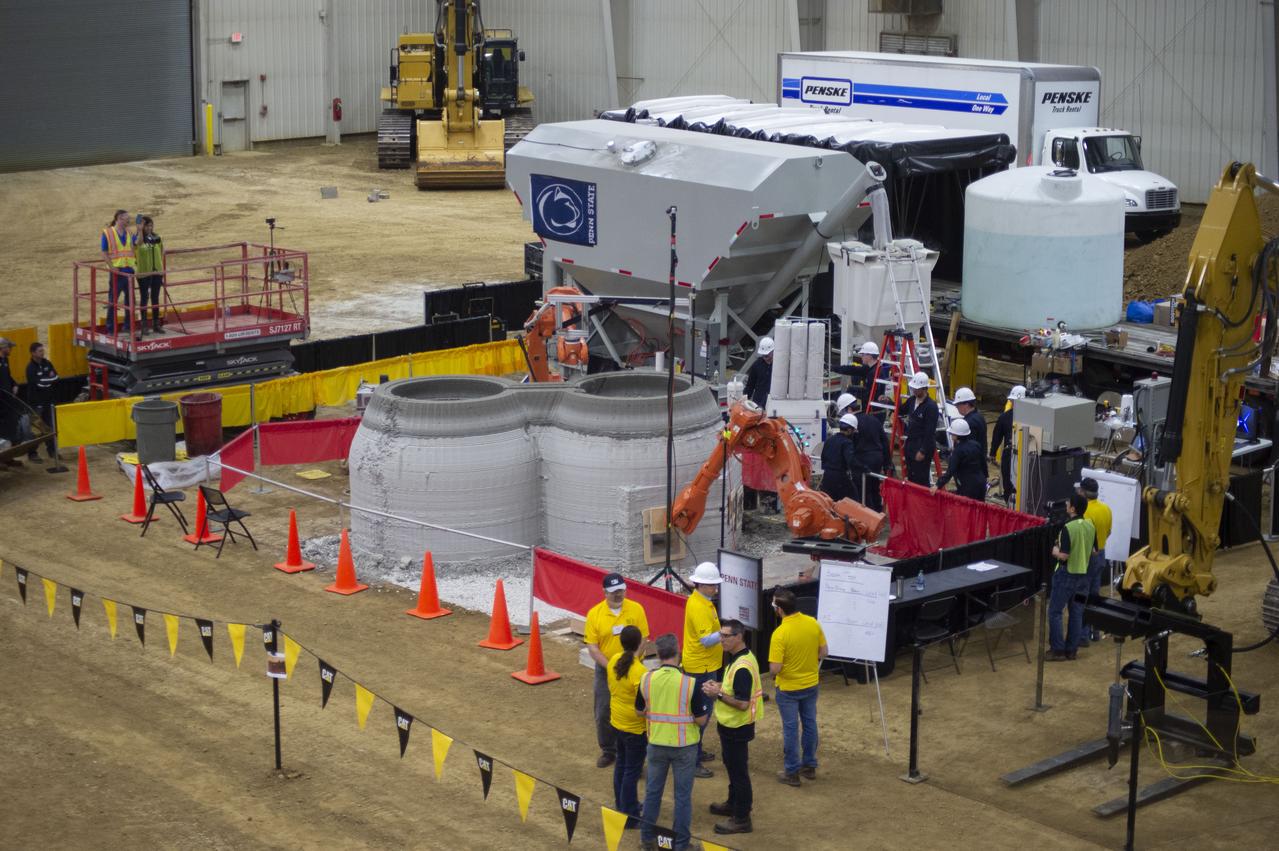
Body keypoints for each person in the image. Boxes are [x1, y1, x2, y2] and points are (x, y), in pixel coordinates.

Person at [637, 633, 709, 851]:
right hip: (685, 747)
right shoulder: (691, 684)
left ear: (658, 654)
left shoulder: (646, 679)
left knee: (652, 793)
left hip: (656, 744)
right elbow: (701, 719)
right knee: (682, 798)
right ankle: (681, 845)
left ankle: (647, 840)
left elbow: (639, 711)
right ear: (678, 654)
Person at [701, 619, 763, 835]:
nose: (722, 640)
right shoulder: (738, 659)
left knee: (738, 772)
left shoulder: (742, 666)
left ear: (739, 636)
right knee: (732, 765)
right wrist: (719, 687)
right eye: (721, 635)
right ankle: (733, 804)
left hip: (737, 726)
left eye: (726, 636)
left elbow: (743, 702)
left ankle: (742, 817)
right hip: (731, 725)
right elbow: (734, 690)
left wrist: (716, 693)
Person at [585, 572, 650, 768]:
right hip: (606, 671)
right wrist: (611, 666)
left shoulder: (636, 609)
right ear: (604, 592)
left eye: (621, 590)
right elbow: (592, 646)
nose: (618, 595)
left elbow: (644, 638)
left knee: (637, 708)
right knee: (603, 710)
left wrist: (631, 661)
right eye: (613, 592)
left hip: (634, 669)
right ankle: (608, 749)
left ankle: (636, 749)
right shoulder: (595, 614)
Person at [768, 587, 827, 786]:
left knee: (791, 729)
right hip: (811, 684)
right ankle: (809, 765)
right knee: (809, 723)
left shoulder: (780, 634)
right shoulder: (813, 623)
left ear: (779, 610)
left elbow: (775, 668)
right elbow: (824, 652)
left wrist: (773, 671)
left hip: (788, 689)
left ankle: (791, 772)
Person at [681, 561, 723, 778]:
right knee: (701, 714)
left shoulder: (703, 601)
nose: (715, 588)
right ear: (699, 585)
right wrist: (726, 633)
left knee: (703, 713)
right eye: (711, 585)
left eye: (715, 585)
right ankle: (693, 760)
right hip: (701, 668)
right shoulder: (699, 606)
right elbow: (706, 640)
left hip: (706, 665)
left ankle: (696, 751)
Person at [607, 625, 647, 828]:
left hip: (617, 722)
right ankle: (630, 816)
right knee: (631, 771)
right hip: (634, 728)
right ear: (640, 643)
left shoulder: (614, 660)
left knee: (621, 767)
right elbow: (645, 703)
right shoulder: (639, 671)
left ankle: (622, 806)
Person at [1048, 493, 1096, 661]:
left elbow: (1064, 555)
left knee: (1055, 612)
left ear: (1073, 508)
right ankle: (1071, 650)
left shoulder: (1068, 528)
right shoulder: (1090, 525)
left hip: (1066, 575)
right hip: (1084, 576)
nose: (1066, 505)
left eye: (1069, 503)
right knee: (1076, 613)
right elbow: (1095, 551)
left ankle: (1058, 650)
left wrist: (1054, 550)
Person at [1077, 478, 1113, 643]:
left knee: (1082, 596)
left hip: (1087, 556)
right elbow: (1109, 531)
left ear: (1083, 493)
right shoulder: (1106, 509)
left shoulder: (1084, 512)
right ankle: (1095, 632)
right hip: (1101, 555)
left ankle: (1083, 636)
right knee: (1094, 595)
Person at [100, 210, 138, 334]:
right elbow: (104, 253)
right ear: (119, 218)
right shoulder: (107, 233)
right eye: (126, 218)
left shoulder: (129, 232)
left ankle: (127, 326)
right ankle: (110, 328)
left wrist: (140, 230)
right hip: (117, 272)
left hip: (129, 271)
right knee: (113, 301)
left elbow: (137, 244)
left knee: (130, 301)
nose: (128, 221)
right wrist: (111, 267)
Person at [990, 385, 1026, 506]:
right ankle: (1009, 503)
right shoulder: (1005, 418)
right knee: (1008, 483)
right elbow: (997, 436)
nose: (1013, 403)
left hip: (1024, 455)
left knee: (1019, 484)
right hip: (1011, 455)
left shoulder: (1031, 418)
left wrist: (993, 452)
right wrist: (992, 452)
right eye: (1012, 401)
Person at [935, 418, 986, 501]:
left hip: (967, 485)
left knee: (968, 510)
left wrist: (937, 485)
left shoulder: (958, 451)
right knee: (980, 510)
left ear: (956, 435)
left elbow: (950, 471)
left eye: (952, 433)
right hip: (981, 482)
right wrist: (985, 477)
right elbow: (983, 463)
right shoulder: (976, 445)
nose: (951, 435)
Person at [902, 371, 938, 486]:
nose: (914, 390)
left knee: (921, 479)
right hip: (911, 443)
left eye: (916, 389)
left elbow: (930, 432)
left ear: (924, 388)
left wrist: (923, 451)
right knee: (911, 475)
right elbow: (902, 409)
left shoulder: (931, 407)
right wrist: (889, 402)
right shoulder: (912, 400)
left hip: (922, 445)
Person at [24, 342, 58, 462]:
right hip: (35, 403)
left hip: (48, 401)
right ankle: (32, 453)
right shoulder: (30, 368)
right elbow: (37, 383)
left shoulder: (47, 363)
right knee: (35, 429)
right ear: (33, 353)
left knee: (50, 426)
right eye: (40, 351)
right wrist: (48, 379)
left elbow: (56, 377)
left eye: (43, 350)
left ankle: (52, 450)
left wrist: (46, 380)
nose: (42, 353)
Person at [852, 398, 888, 511]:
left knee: (863, 490)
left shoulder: (852, 422)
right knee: (874, 486)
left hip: (862, 459)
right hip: (877, 458)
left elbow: (849, 444)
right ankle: (878, 510)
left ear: (849, 409)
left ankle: (869, 515)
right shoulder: (873, 420)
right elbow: (884, 441)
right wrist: (887, 462)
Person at [133, 216, 165, 336]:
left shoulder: (158, 237)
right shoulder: (137, 238)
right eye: (147, 225)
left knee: (155, 298)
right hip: (144, 272)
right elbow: (139, 244)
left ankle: (156, 325)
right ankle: (144, 326)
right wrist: (140, 230)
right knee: (144, 298)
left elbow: (162, 251)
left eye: (151, 225)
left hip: (156, 272)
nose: (149, 228)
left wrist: (159, 267)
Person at [819, 414, 857, 502]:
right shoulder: (847, 443)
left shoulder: (829, 440)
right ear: (849, 430)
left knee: (828, 504)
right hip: (840, 478)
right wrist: (863, 468)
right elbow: (851, 461)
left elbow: (823, 457)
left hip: (827, 477)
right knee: (852, 501)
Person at [831, 341, 880, 408]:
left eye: (863, 354)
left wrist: (853, 390)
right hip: (871, 409)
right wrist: (833, 368)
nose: (861, 357)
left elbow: (870, 394)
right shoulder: (870, 368)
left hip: (873, 411)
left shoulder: (874, 373)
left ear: (870, 356)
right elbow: (852, 369)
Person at [952, 386, 988, 458]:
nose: (956, 407)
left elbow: (967, 447)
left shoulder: (969, 423)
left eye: (958, 405)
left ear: (966, 404)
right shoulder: (979, 416)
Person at [742, 336, 774, 409]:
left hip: (774, 403)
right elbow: (750, 385)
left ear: (773, 351)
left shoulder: (779, 365)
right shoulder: (757, 365)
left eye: (767, 355)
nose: (765, 357)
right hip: (758, 403)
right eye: (763, 355)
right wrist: (745, 397)